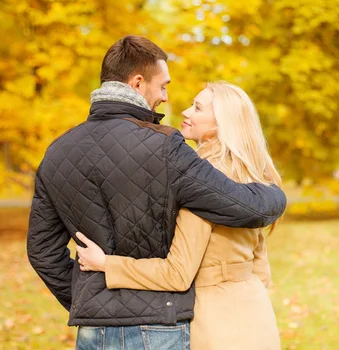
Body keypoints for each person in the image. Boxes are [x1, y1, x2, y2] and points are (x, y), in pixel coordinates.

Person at [26, 36, 287, 350]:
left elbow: (42, 253)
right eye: (163, 86)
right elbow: (245, 206)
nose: (165, 98)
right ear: (138, 83)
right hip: (159, 326)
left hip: (94, 329)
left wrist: (92, 301)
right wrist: (276, 195)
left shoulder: (56, 153)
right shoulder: (166, 147)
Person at [75, 82, 282, 350]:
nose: (185, 111)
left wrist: (106, 263)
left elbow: (177, 274)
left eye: (197, 107)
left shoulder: (202, 180)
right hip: (257, 315)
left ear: (221, 123)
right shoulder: (250, 174)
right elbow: (260, 266)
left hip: (216, 324)